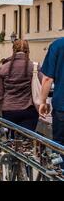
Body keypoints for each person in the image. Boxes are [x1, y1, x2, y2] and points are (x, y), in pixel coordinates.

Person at [0, 40, 42, 132]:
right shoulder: (34, 67)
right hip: (29, 110)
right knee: (26, 142)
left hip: (9, 111)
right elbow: (42, 86)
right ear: (27, 51)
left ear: (13, 50)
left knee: (11, 142)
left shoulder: (3, 68)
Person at [38, 37, 64, 168]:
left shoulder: (58, 45)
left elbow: (47, 78)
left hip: (62, 106)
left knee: (60, 148)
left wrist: (43, 101)